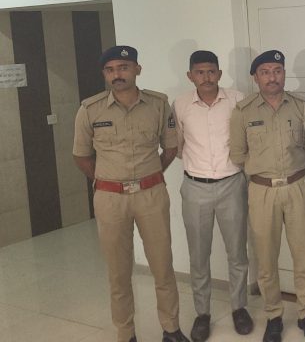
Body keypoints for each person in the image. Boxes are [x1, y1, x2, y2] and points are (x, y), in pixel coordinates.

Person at [72, 46, 190, 342]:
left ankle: (171, 329)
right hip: (110, 199)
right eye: (110, 70)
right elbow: (81, 156)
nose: (117, 75)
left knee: (162, 266)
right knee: (118, 272)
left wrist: (150, 175)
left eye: (123, 67)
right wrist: (107, 180)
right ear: (104, 74)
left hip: (151, 194)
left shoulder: (158, 104)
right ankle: (126, 333)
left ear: (137, 69)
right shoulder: (90, 109)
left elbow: (170, 148)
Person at [229, 50, 305, 342]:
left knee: (303, 256)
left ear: (283, 73)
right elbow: (237, 154)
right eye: (266, 72)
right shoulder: (243, 111)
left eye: (277, 70)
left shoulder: (301, 107)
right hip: (261, 191)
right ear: (255, 77)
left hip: (297, 186)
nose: (273, 77)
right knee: (266, 258)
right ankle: (274, 316)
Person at [172, 50, 253, 342]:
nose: (206, 77)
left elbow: (248, 139)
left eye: (211, 71)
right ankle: (202, 313)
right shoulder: (180, 104)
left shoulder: (238, 99)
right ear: (190, 76)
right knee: (198, 255)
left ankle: (239, 308)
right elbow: (177, 146)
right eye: (199, 72)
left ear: (219, 73)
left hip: (232, 184)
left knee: (237, 252)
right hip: (195, 187)